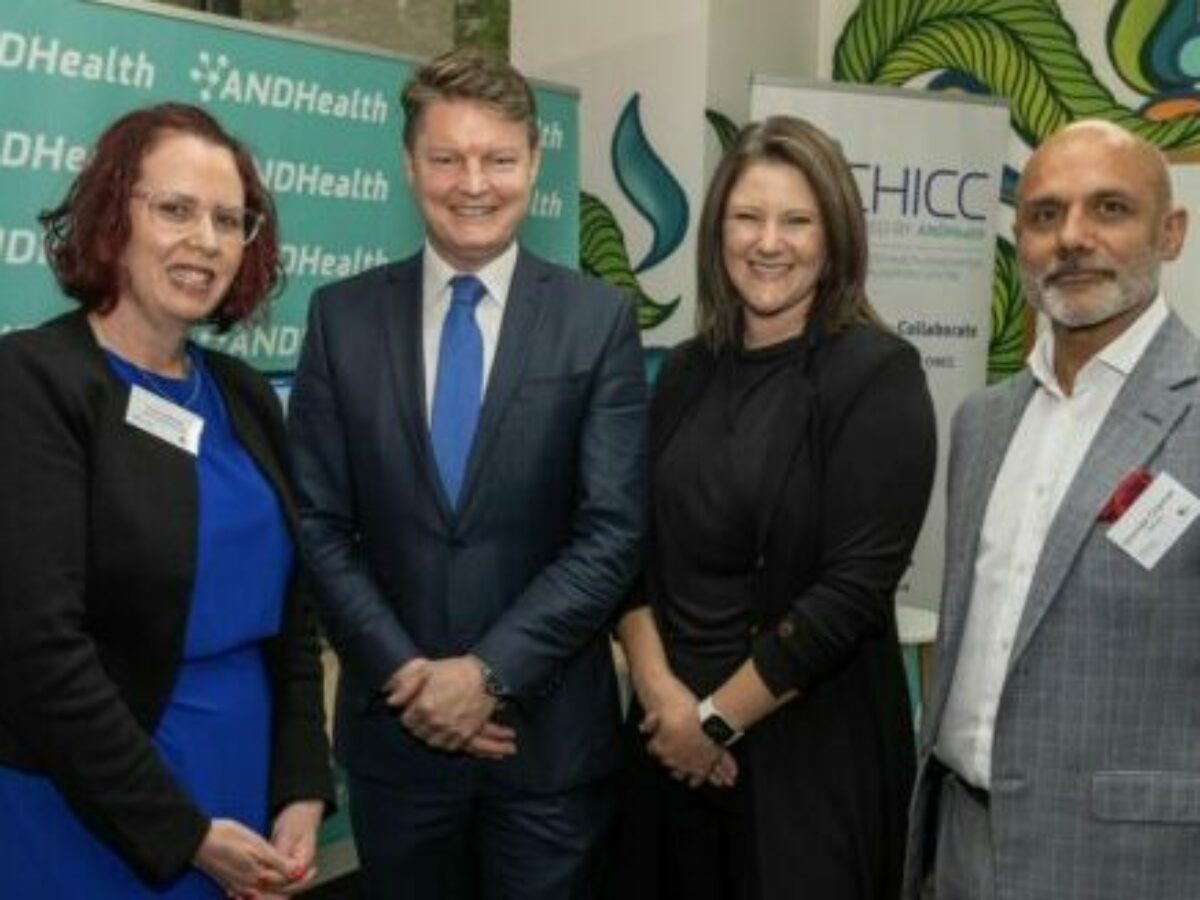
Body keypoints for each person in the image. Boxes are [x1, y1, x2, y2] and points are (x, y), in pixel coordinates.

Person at [287, 49, 648, 899]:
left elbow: (613, 532)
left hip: (547, 750)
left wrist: (486, 677)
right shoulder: (341, 319)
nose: (473, 183)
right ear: (409, 164)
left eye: (499, 159)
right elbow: (317, 523)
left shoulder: (597, 321)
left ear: (534, 163)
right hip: (396, 745)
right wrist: (413, 683)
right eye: (447, 158)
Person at [0, 103, 334, 899]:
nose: (206, 240)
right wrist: (182, 832)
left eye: (229, 220)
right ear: (113, 217)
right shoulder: (33, 382)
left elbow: (294, 623)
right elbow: (36, 648)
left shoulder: (244, 395)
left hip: (242, 791)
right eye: (176, 209)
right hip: (89, 804)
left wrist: (301, 783)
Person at [611, 115, 936, 900]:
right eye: (747, 217)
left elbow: (851, 594)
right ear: (717, 231)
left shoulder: (879, 375)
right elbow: (629, 550)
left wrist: (715, 721)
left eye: (797, 221)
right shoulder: (683, 372)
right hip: (667, 752)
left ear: (835, 236)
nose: (768, 242)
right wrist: (663, 701)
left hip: (808, 763)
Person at [904, 119, 1200, 900]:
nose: (1071, 237)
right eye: (1044, 214)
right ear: (1019, 242)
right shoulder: (981, 422)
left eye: (1110, 208)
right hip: (961, 845)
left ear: (1171, 233)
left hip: (1135, 867)